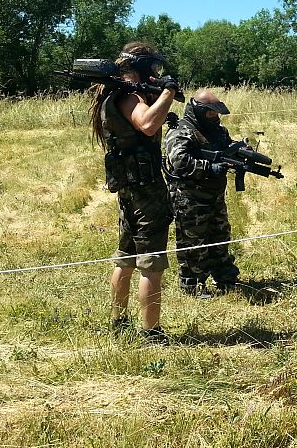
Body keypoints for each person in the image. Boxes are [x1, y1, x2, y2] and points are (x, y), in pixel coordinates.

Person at [88, 42, 178, 344]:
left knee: (125, 257)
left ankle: (119, 320)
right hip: (146, 188)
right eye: (152, 69)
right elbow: (148, 124)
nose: (155, 75)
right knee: (151, 263)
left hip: (127, 185)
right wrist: (169, 92)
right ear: (140, 67)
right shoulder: (129, 96)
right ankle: (151, 331)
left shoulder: (110, 94)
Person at [164, 88, 240, 298]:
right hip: (189, 198)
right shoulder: (181, 131)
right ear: (198, 110)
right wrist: (208, 168)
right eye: (210, 113)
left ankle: (225, 277)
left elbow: (227, 146)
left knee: (220, 237)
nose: (214, 118)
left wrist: (239, 152)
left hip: (214, 196)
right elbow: (180, 162)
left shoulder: (218, 130)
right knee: (193, 243)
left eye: (216, 114)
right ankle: (193, 284)